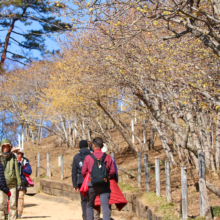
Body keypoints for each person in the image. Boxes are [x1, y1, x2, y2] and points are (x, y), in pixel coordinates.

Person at [82, 137, 115, 220]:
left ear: (93, 145)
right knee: (105, 206)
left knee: (89, 205)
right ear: (102, 145)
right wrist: (106, 176)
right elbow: (112, 171)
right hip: (104, 184)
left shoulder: (88, 157)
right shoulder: (107, 157)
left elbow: (83, 172)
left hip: (91, 184)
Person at [0, 139, 21, 220]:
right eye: (4, 146)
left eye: (7, 146)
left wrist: (19, 183)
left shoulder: (13, 157)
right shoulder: (0, 157)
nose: (5, 148)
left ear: (10, 147)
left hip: (12, 183)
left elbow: (16, 170)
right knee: (1, 203)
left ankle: (12, 218)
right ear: (1, 147)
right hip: (2, 184)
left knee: (13, 204)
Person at [72, 140, 91, 220]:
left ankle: (85, 217)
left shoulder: (76, 157)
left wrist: (75, 185)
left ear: (79, 147)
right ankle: (91, 216)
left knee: (83, 199)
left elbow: (74, 171)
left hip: (80, 180)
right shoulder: (91, 155)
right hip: (91, 179)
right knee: (91, 199)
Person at [16, 149, 32, 219]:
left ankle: (19, 213)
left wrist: (22, 169)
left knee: (20, 197)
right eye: (18, 154)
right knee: (14, 198)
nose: (19, 155)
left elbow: (29, 171)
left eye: (20, 154)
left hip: (22, 181)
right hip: (14, 181)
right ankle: (14, 212)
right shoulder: (13, 161)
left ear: (22, 155)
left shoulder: (25, 162)